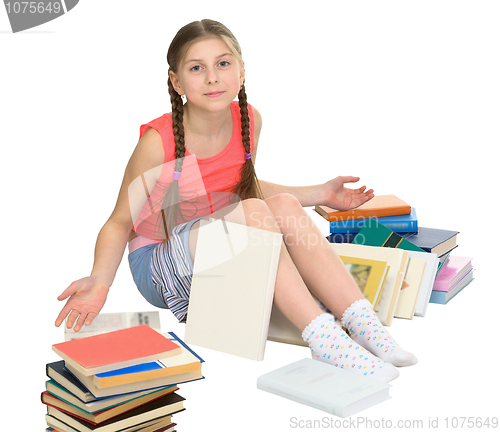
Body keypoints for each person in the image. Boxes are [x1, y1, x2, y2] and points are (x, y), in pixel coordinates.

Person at [55, 19, 417, 382]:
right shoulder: (158, 142)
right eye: (197, 68)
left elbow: (245, 189)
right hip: (158, 267)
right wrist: (100, 281)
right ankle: (325, 339)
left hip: (215, 246)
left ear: (242, 71)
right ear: (177, 82)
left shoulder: (248, 120)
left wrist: (321, 194)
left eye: (223, 64)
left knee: (286, 206)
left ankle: (363, 323)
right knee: (258, 211)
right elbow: (120, 221)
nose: (212, 77)